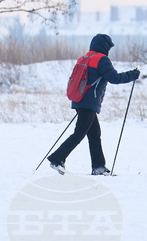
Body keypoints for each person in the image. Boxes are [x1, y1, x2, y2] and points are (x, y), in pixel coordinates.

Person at [48, 33, 139, 175]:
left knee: (94, 134)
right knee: (79, 133)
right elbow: (114, 78)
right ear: (105, 47)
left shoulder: (84, 58)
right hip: (89, 102)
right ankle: (57, 158)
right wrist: (133, 75)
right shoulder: (102, 59)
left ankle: (98, 167)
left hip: (79, 100)